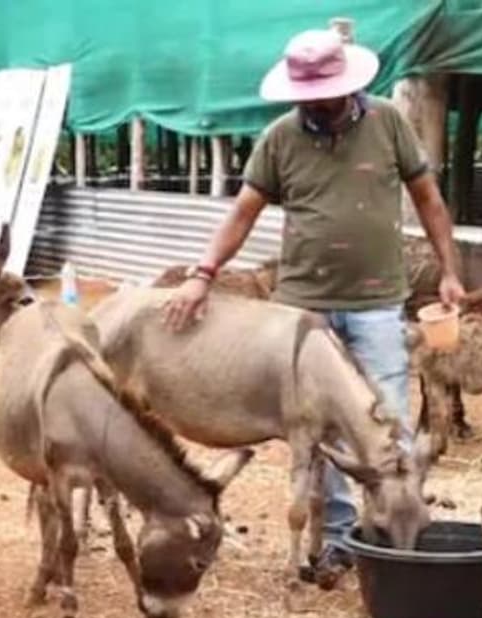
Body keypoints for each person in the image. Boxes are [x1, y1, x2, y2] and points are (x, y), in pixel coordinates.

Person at [162, 28, 465, 583]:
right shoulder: (279, 138)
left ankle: (399, 523)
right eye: (305, 93)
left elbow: (428, 200)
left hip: (377, 302)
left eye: (323, 91)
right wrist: (203, 273)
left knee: (389, 418)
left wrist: (448, 271)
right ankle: (341, 536)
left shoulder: (388, 123)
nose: (314, 102)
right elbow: (243, 213)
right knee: (317, 428)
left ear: (348, 84)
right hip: (302, 310)